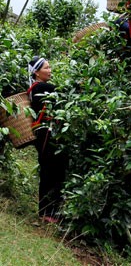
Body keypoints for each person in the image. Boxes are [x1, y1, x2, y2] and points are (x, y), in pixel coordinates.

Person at [27, 56, 66, 223]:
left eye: (50, 67)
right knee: (50, 171)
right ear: (36, 72)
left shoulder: (39, 87)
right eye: (46, 68)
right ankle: (46, 212)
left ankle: (53, 211)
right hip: (46, 135)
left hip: (52, 134)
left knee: (56, 170)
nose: (50, 71)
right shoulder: (39, 87)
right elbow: (63, 92)